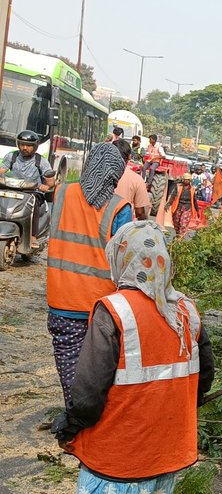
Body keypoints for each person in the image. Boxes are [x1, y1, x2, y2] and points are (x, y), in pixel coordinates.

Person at [50, 221, 215, 494]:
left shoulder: (115, 311)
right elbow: (205, 377)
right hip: (171, 443)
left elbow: (88, 390)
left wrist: (71, 425)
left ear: (121, 259)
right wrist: (175, 409)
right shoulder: (188, 311)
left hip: (124, 446)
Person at [46, 144, 132, 406]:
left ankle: (75, 412)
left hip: (62, 299)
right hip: (101, 305)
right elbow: (125, 257)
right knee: (101, 368)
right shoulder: (119, 207)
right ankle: (95, 419)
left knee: (68, 361)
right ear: (116, 173)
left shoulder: (61, 192)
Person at [0, 131, 56, 226]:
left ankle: (33, 233)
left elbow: (50, 182)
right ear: (18, 145)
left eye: (29, 145)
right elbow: (1, 171)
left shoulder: (41, 161)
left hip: (32, 193)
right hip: (12, 190)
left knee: (35, 207)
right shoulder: (11, 156)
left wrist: (45, 186)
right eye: (22, 144)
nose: (25, 148)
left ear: (35, 146)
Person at [112, 138, 150, 220]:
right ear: (129, 156)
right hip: (121, 224)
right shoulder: (137, 180)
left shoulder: (96, 173)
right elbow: (139, 212)